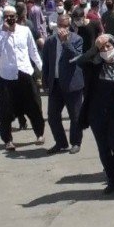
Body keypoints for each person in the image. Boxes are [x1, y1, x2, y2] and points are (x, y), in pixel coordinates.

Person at [78, 35, 114, 195]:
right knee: (104, 148)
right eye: (102, 48)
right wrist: (95, 46)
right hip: (97, 114)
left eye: (108, 46)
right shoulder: (93, 66)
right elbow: (80, 61)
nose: (106, 50)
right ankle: (112, 180)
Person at [0, 5, 46, 151]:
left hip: (25, 72)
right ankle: (8, 140)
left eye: (12, 16)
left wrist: (41, 69)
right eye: (7, 16)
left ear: (17, 17)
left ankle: (39, 134)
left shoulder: (25, 30)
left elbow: (33, 50)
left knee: (34, 105)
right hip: (7, 75)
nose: (10, 19)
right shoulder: (0, 33)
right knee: (6, 110)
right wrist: (4, 33)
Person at [42, 14, 85, 154]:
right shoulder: (50, 41)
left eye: (65, 26)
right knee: (53, 116)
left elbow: (76, 57)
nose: (62, 29)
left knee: (75, 116)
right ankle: (60, 142)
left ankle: (76, 142)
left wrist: (66, 42)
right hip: (55, 84)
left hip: (72, 83)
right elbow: (46, 63)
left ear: (70, 26)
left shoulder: (77, 39)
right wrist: (45, 82)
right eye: (60, 26)